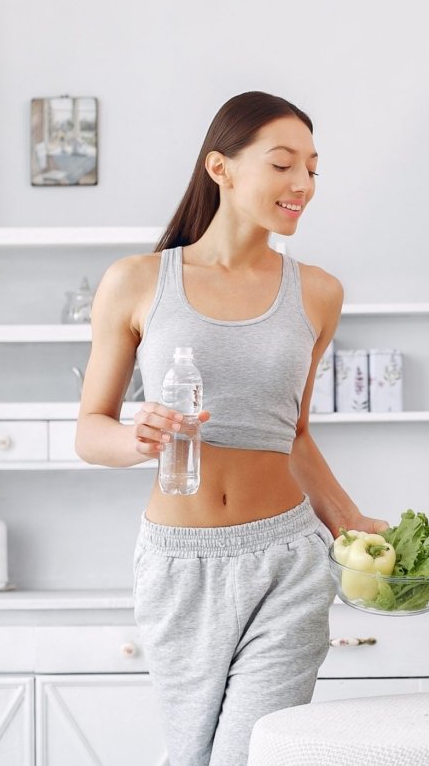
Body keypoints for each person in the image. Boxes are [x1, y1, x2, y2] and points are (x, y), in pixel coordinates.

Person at [75, 90, 388, 765]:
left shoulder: (319, 292)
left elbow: (294, 434)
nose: (302, 184)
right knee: (190, 756)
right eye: (282, 165)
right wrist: (139, 438)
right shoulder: (135, 282)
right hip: (178, 565)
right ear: (220, 167)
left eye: (312, 167)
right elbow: (90, 429)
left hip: (288, 559)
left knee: (252, 756)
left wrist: (352, 523)